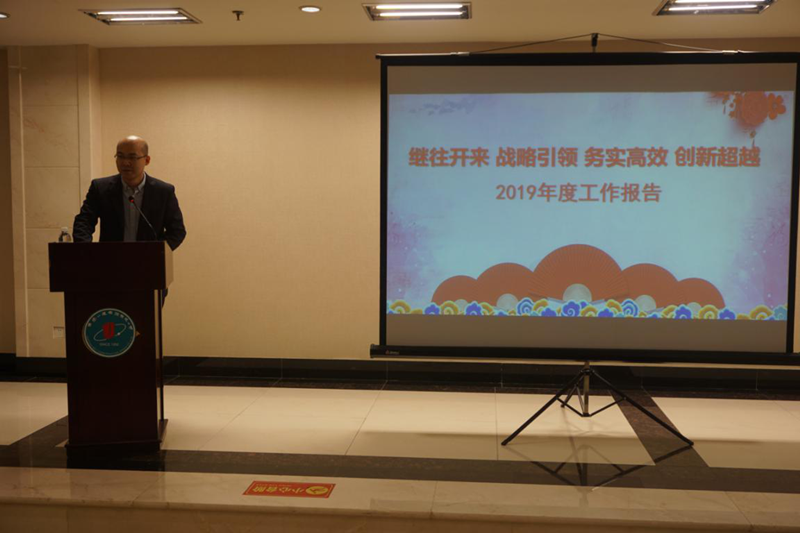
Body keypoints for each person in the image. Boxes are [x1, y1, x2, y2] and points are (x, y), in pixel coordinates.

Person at [73, 136, 186, 250]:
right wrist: (87, 251)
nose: (125, 163)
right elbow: (83, 223)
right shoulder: (100, 188)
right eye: (120, 156)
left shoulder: (163, 192)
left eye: (132, 157)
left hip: (148, 259)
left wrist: (157, 251)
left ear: (147, 160)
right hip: (110, 258)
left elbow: (177, 231)